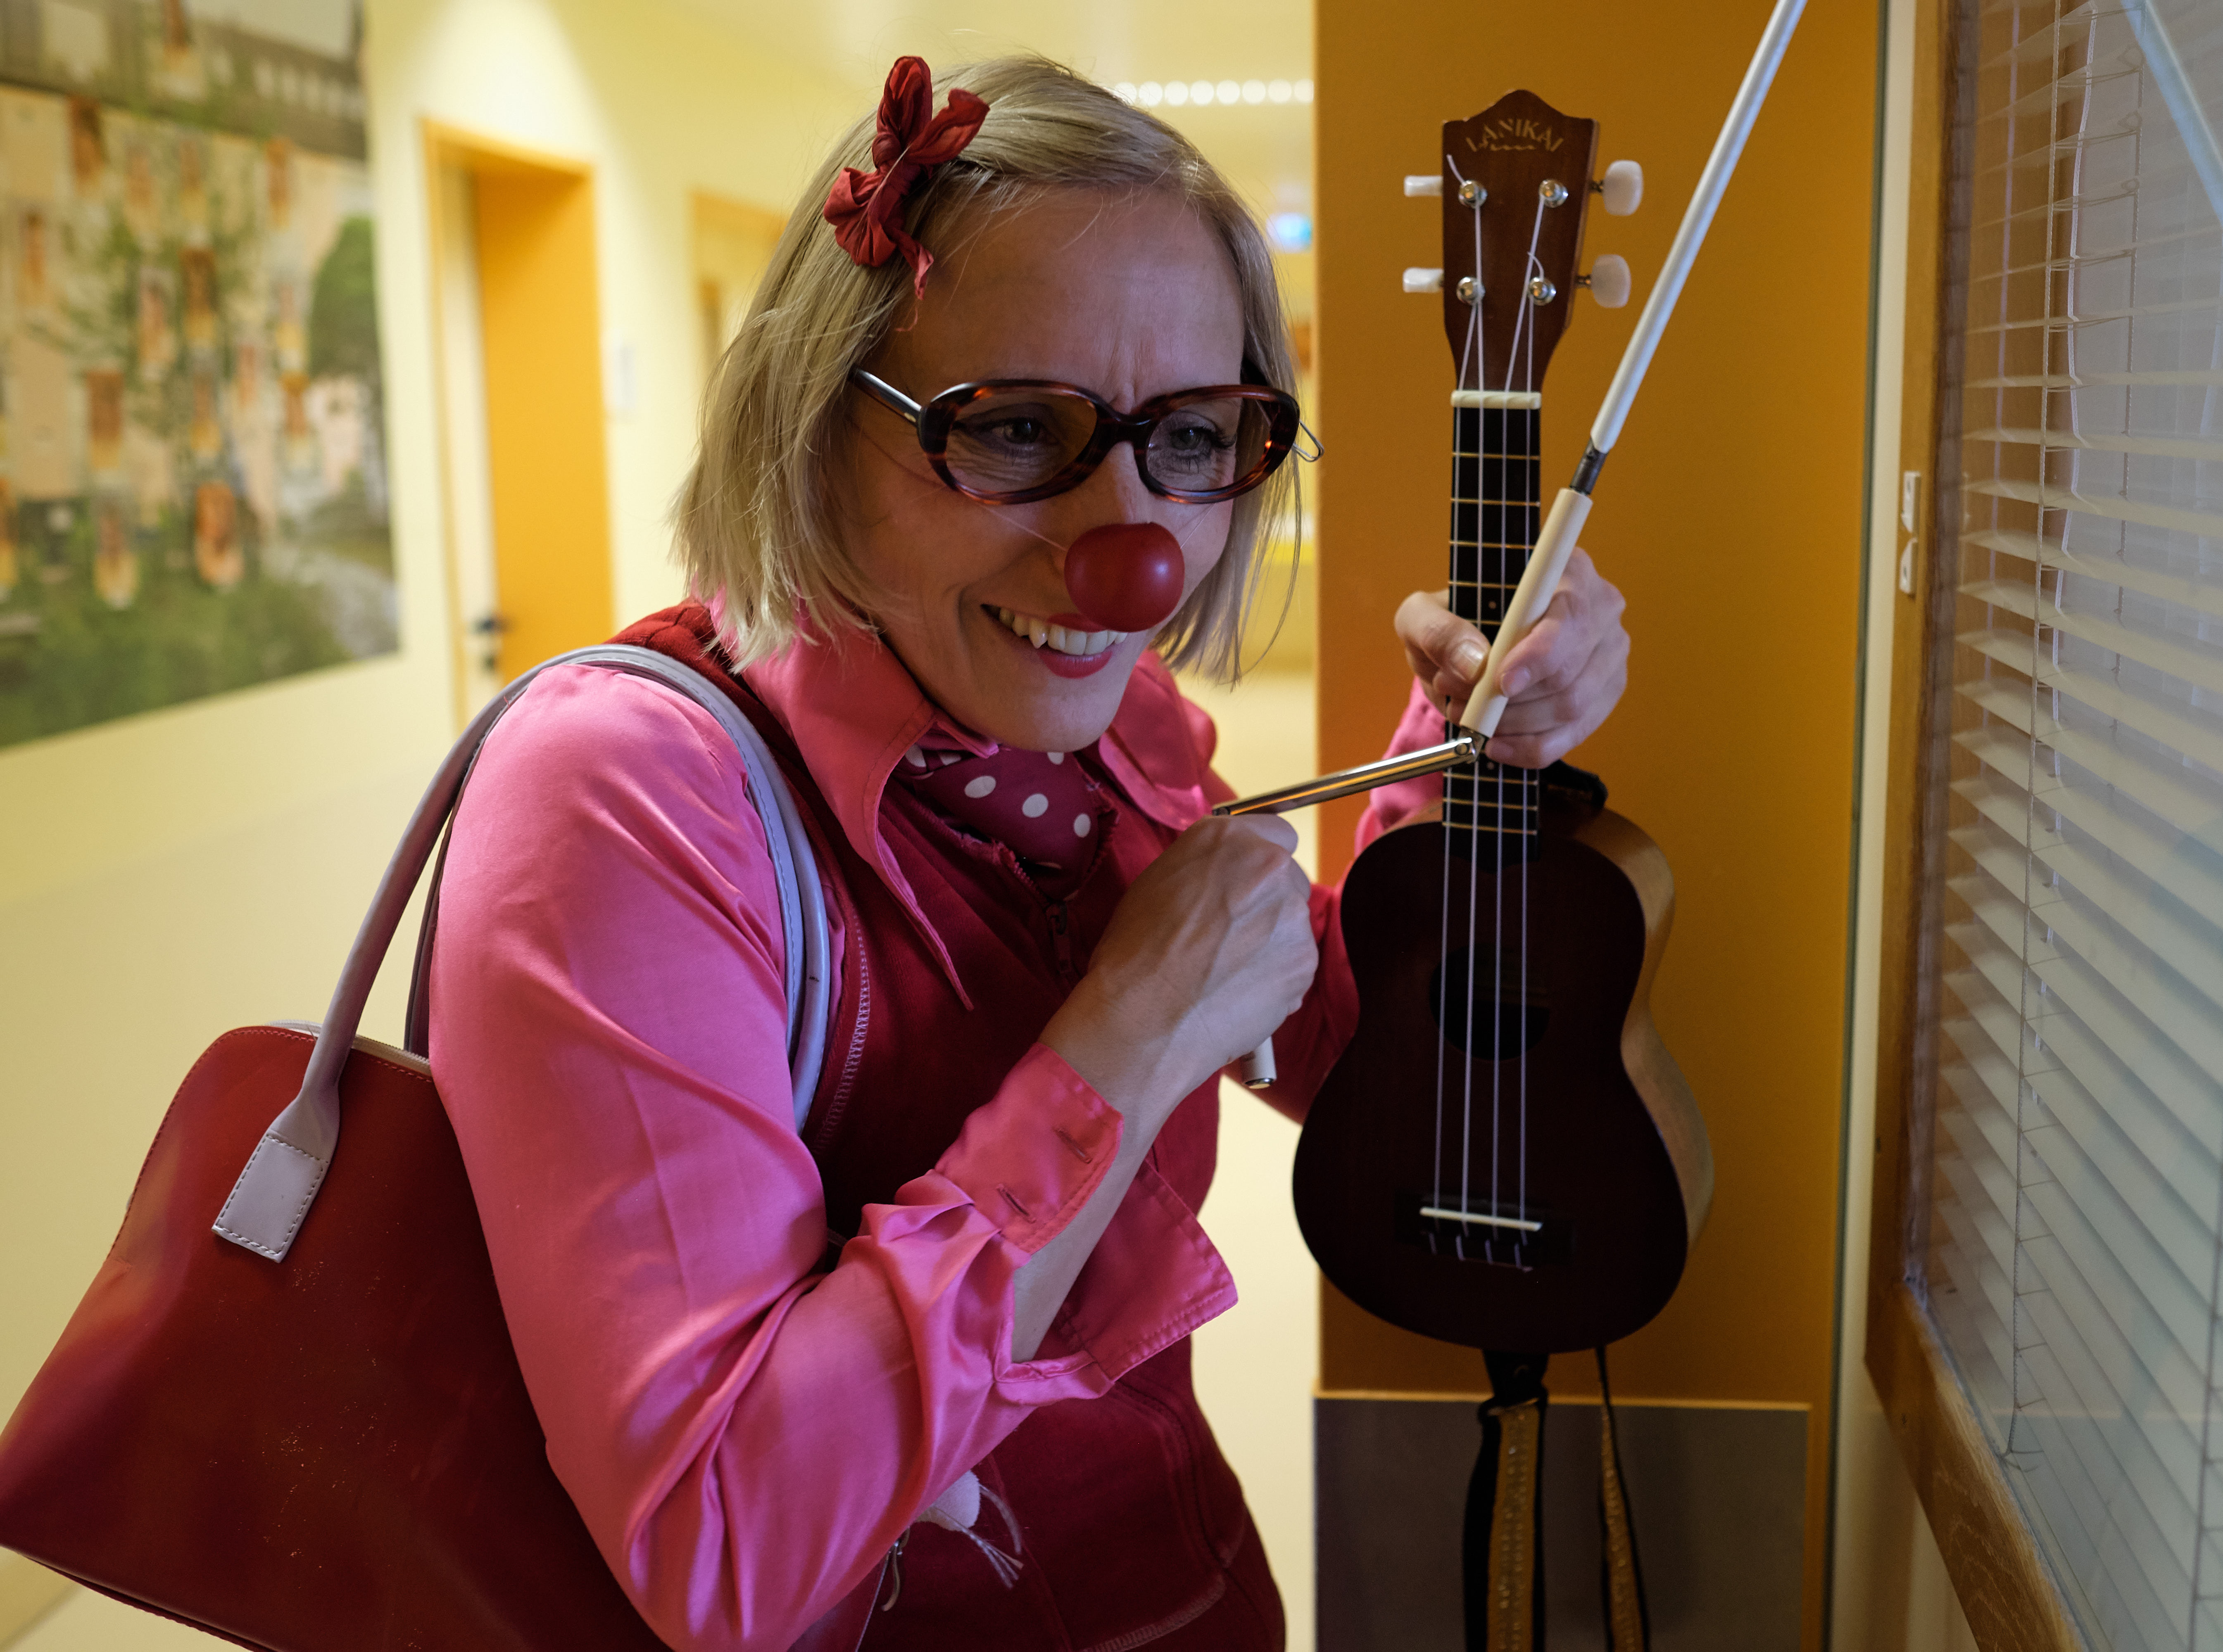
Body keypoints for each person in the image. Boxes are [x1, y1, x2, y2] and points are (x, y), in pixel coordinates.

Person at [429, 55, 1630, 1652]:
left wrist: (1469, 742)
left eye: (1191, 436)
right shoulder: (627, 797)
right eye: (1009, 429)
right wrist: (1126, 1040)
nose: (1129, 555)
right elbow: (726, 1546)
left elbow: (1356, 1062)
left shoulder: (1116, 729)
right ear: (817, 425)